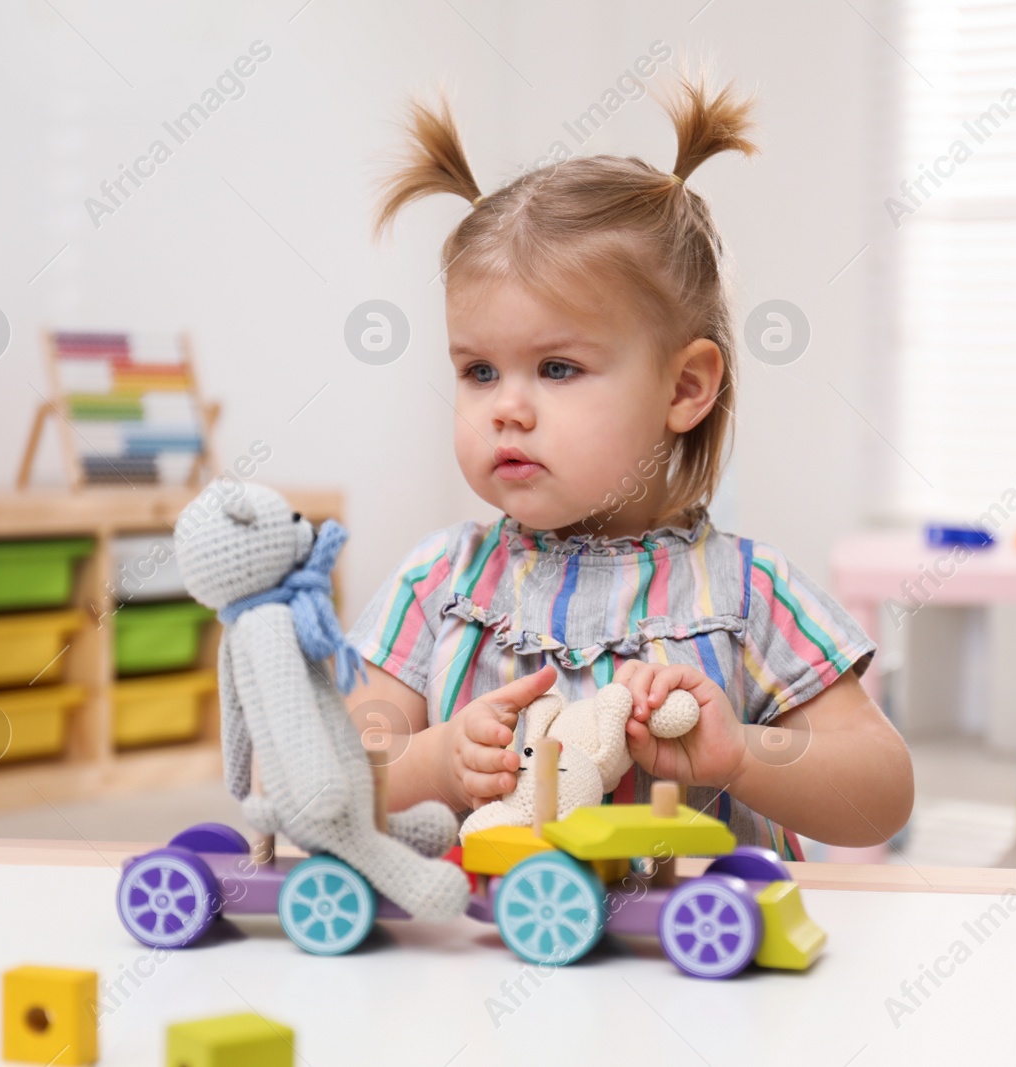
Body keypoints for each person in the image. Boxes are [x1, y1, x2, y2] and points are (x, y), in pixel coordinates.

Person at [341, 69, 913, 858]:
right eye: (478, 370)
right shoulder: (440, 584)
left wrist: (743, 753)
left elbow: (881, 791)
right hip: (479, 961)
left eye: (558, 368)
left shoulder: (748, 594)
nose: (505, 407)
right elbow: (311, 771)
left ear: (684, 387)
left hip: (695, 961)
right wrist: (430, 761)